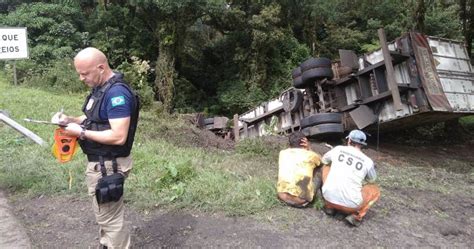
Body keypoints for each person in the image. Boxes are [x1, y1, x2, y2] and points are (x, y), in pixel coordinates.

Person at [51, 47, 139, 248]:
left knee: (111, 219)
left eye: (85, 73)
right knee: (104, 215)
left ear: (101, 67)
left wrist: (80, 133)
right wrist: (69, 121)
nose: (81, 78)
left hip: (109, 165)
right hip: (101, 163)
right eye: (79, 73)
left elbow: (118, 136)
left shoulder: (117, 94)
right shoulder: (101, 89)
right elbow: (92, 118)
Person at [320, 129, 380, 227]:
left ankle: (329, 207)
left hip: (328, 198)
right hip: (350, 206)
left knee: (326, 167)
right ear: (362, 145)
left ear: (349, 140)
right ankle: (356, 215)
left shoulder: (338, 149)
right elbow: (372, 180)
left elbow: (324, 160)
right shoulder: (368, 161)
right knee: (375, 190)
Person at [277, 131, 322, 208]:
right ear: (304, 142)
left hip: (282, 196)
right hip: (301, 200)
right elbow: (322, 161)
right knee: (321, 167)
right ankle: (323, 197)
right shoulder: (310, 155)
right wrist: (309, 148)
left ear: (290, 143)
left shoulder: (283, 153)